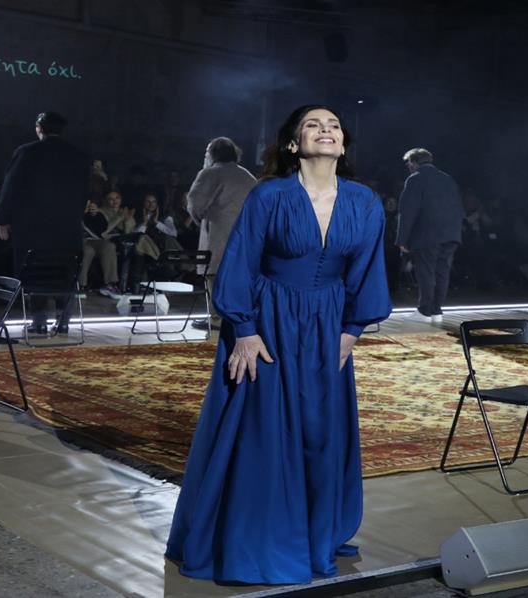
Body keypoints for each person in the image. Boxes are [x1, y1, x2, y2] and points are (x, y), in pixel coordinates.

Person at [167, 105, 391, 585]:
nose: (326, 130)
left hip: (329, 323)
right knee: (265, 430)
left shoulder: (365, 201)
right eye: (314, 124)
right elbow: (242, 260)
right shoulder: (270, 195)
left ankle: (313, 531)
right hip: (268, 321)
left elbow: (368, 270)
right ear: (293, 143)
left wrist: (352, 331)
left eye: (334, 125)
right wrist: (245, 331)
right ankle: (263, 539)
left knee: (319, 430)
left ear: (343, 144)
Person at [0, 111, 91, 333]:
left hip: (32, 226)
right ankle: (63, 320)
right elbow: (84, 192)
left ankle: (39, 320)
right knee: (65, 269)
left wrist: (3, 219)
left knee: (33, 269)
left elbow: (10, 187)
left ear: (39, 128)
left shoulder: (26, 152)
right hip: (67, 226)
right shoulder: (78, 155)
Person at [185, 136, 257, 330]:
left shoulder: (209, 173)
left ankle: (217, 319)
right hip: (247, 235)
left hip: (219, 233)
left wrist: (202, 221)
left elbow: (195, 204)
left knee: (215, 274)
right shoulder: (247, 175)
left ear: (212, 154)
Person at [396, 148, 463, 323]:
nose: (408, 167)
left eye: (408, 163)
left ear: (413, 162)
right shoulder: (447, 179)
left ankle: (425, 311)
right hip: (450, 234)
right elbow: (458, 207)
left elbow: (408, 211)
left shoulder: (415, 179)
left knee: (426, 271)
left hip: (427, 234)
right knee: (442, 272)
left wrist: (402, 239)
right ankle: (436, 310)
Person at [80, 189, 135, 298]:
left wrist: (128, 219)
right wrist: (118, 217)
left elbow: (128, 233)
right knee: (88, 251)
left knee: (109, 247)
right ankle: (80, 285)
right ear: (105, 201)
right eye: (111, 199)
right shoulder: (100, 211)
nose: (114, 201)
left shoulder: (124, 212)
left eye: (117, 198)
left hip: (108, 242)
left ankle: (110, 285)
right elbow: (103, 231)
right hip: (90, 239)